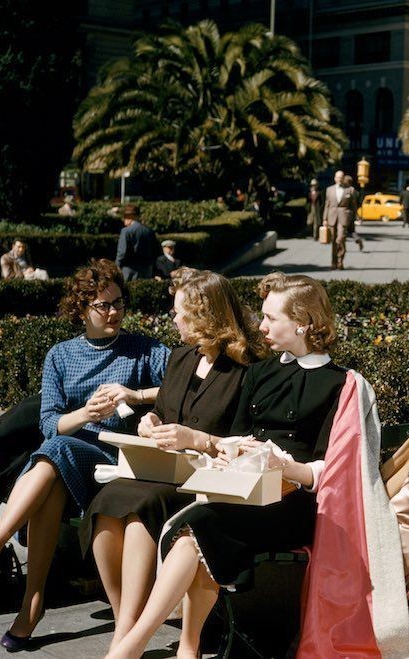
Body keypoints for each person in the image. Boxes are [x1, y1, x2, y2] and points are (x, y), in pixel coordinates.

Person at [105, 273, 349, 659]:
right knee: (195, 530)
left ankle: (133, 650)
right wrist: (235, 450)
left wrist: (283, 467)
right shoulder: (260, 373)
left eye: (271, 319)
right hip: (246, 489)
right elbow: (235, 436)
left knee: (199, 528)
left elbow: (333, 471)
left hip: (297, 505)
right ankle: (170, 648)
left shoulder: (341, 384)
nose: (261, 326)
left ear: (302, 322)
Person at [0, 259, 170, 651]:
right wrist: (87, 412)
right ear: (82, 308)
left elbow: (179, 385)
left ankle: (5, 566)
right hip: (72, 453)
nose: (114, 312)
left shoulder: (144, 349)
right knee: (54, 454)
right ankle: (30, 601)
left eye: (119, 302)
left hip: (119, 458)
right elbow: (50, 422)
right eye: (103, 305)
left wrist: (135, 395)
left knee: (53, 457)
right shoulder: (61, 355)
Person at [80, 268, 266, 651]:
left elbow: (251, 441)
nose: (175, 318)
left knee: (141, 510)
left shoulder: (249, 368)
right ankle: (124, 623)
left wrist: (198, 440)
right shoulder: (181, 357)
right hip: (164, 469)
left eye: (181, 312)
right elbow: (164, 413)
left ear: (204, 316)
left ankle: (127, 633)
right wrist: (150, 423)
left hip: (206, 480)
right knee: (107, 503)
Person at [322, 170, 357, 269]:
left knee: (340, 239)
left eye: (341, 177)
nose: (339, 179)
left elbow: (354, 206)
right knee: (333, 241)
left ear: (343, 178)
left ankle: (340, 260)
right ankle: (333, 263)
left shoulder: (350, 190)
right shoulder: (329, 190)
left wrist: (353, 217)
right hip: (331, 217)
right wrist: (324, 218)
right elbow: (327, 205)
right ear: (335, 178)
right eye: (338, 177)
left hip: (344, 217)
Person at [115, 205, 159, 281]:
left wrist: (116, 267)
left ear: (131, 216)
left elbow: (122, 253)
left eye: (125, 217)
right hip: (146, 271)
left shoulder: (126, 231)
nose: (124, 220)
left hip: (129, 271)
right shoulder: (149, 231)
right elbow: (156, 251)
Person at [342, 175, 364, 252]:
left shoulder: (351, 190)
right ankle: (357, 239)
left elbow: (354, 203)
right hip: (351, 214)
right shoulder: (350, 190)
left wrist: (356, 215)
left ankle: (342, 247)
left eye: (344, 180)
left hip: (347, 214)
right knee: (351, 230)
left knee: (343, 230)